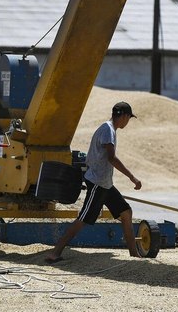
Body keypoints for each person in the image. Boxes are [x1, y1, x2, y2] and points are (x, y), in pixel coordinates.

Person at [45, 101, 142, 263]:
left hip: (105, 184)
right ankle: (55, 252)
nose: (128, 122)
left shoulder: (109, 130)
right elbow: (111, 157)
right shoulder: (108, 130)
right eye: (128, 118)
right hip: (97, 183)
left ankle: (134, 255)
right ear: (124, 116)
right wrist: (132, 177)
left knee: (126, 213)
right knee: (83, 219)